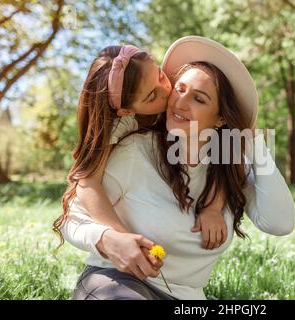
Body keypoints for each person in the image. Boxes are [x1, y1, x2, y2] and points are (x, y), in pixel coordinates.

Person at [59, 36, 295, 300]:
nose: (179, 102)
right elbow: (73, 215)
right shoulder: (135, 150)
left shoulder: (228, 167)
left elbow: (280, 223)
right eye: (180, 89)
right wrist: (108, 238)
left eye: (199, 99)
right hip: (117, 285)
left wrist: (251, 139)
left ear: (220, 118)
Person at [53, 44, 230, 281]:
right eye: (152, 96)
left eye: (159, 75)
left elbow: (225, 158)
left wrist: (213, 207)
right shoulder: (122, 128)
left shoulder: (185, 106)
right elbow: (87, 182)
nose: (167, 92)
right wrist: (120, 236)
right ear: (127, 111)